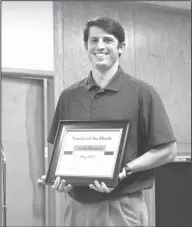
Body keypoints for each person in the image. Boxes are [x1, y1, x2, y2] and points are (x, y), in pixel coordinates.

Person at [46, 16, 177, 226]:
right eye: (94, 40)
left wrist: (124, 170)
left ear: (121, 47)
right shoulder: (69, 96)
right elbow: (56, 145)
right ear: (86, 46)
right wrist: (60, 177)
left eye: (107, 40)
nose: (100, 46)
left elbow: (168, 150)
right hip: (76, 208)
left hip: (122, 207)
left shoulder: (142, 93)